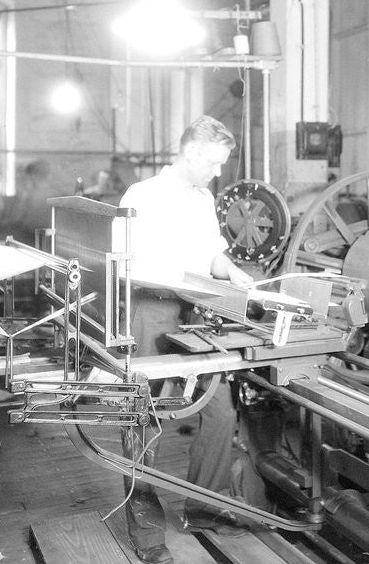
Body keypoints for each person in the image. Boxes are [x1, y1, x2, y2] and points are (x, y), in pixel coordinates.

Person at [116, 115, 253, 564]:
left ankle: (204, 508)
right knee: (142, 417)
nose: (218, 171)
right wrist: (178, 280)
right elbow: (125, 264)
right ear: (191, 152)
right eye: (214, 162)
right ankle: (146, 533)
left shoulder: (203, 198)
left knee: (220, 411)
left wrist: (232, 271)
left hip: (195, 312)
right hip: (150, 309)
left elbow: (212, 254)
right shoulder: (142, 196)